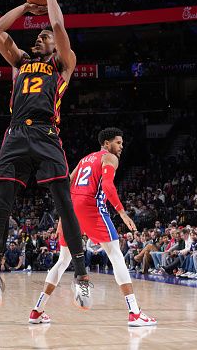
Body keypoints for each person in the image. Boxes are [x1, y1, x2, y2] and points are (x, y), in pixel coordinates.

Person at [0, 0, 91, 311]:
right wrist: (26, 7)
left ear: (55, 46)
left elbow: (57, 23)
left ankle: (82, 276)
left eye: (44, 36)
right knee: (3, 205)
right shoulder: (21, 63)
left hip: (47, 134)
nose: (40, 37)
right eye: (38, 34)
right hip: (16, 134)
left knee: (63, 204)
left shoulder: (62, 64)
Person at [29, 128, 156, 326]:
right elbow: (107, 186)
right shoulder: (109, 158)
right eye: (118, 143)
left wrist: (63, 217)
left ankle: (37, 311)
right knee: (115, 255)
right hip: (92, 208)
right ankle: (135, 313)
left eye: (122, 143)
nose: (121, 147)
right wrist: (122, 213)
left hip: (72, 209)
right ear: (106, 144)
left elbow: (66, 186)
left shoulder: (84, 160)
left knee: (63, 261)